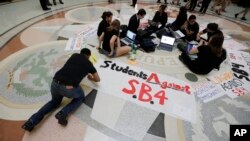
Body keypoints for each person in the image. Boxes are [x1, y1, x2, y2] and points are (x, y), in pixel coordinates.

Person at [21, 48, 100, 132]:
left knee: (54, 102)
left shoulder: (74, 55)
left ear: (80, 53)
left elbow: (73, 67)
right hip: (68, 87)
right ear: (88, 56)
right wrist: (91, 78)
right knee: (80, 97)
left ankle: (30, 122)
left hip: (55, 82)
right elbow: (98, 79)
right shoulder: (89, 64)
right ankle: (63, 113)